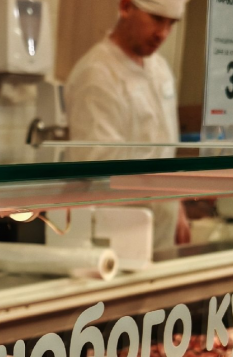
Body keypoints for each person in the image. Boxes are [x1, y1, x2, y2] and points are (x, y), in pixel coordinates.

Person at [66, 0, 190, 248]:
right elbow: (100, 169)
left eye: (171, 23)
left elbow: (164, 152)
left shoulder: (160, 68)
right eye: (156, 19)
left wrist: (176, 206)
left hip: (161, 235)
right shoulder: (96, 74)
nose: (163, 34)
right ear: (125, 7)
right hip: (117, 238)